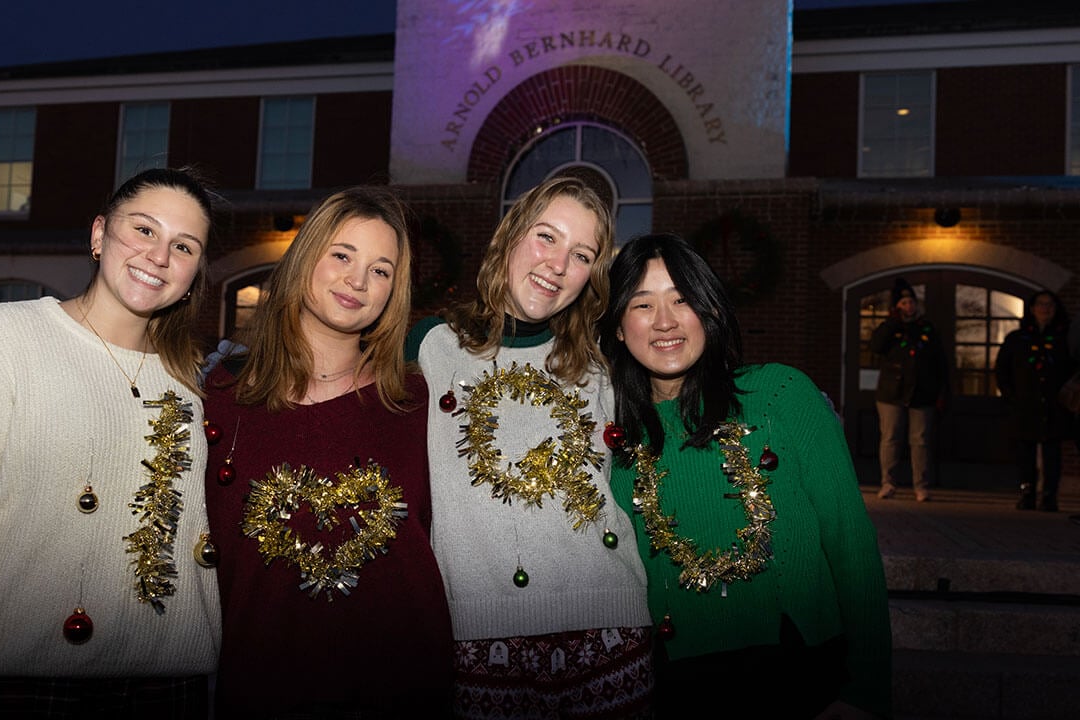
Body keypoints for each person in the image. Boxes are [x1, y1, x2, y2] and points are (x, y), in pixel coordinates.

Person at [0, 167, 223, 718]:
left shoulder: (197, 380)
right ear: (98, 234)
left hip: (172, 689)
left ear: (195, 271)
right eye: (143, 230)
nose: (159, 256)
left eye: (183, 246)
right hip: (30, 688)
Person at [600, 232, 892, 719]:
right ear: (616, 328)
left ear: (710, 312)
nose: (665, 321)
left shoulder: (780, 395)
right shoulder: (611, 438)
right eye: (642, 304)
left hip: (800, 674)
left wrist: (867, 689)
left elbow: (852, 543)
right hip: (674, 684)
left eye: (682, 299)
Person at [406, 176, 653, 719]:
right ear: (511, 234)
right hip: (476, 634)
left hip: (608, 627)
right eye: (546, 237)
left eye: (581, 254)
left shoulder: (604, 366)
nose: (558, 264)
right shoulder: (430, 346)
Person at [202, 186, 453, 718]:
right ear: (305, 258)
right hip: (258, 687)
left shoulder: (417, 403)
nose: (358, 281)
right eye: (342, 255)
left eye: (381, 270)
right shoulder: (221, 400)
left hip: (405, 688)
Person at [994, 290, 1074, 512]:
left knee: (1052, 453)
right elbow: (1002, 370)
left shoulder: (1063, 339)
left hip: (1054, 405)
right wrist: (1011, 395)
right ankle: (1027, 492)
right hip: (1024, 405)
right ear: (1032, 308)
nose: (1045, 309)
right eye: (1041, 304)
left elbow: (1072, 369)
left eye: (1050, 305)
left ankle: (1049, 495)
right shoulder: (1017, 339)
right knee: (1025, 452)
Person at [870, 276, 949, 502]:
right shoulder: (890, 328)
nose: (909, 306)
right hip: (891, 393)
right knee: (891, 438)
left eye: (911, 302)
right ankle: (888, 483)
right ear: (897, 306)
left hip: (921, 393)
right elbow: (876, 347)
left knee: (920, 440)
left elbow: (939, 361)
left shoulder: (926, 328)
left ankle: (921, 485)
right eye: (903, 303)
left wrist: (940, 392)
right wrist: (893, 322)